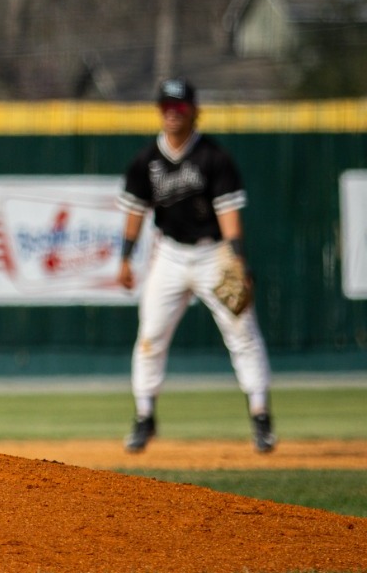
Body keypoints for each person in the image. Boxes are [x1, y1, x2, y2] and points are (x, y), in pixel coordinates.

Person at [115, 77, 275, 454]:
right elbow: (135, 213)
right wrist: (124, 258)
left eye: (180, 107)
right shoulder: (145, 161)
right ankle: (144, 417)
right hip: (169, 254)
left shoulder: (214, 158)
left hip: (213, 254)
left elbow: (229, 214)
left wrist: (237, 260)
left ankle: (261, 415)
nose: (172, 114)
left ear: (193, 111)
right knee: (150, 337)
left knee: (242, 332)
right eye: (166, 107)